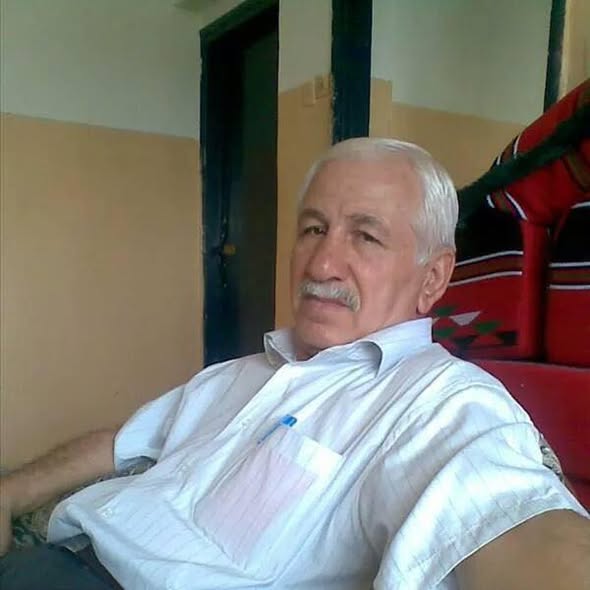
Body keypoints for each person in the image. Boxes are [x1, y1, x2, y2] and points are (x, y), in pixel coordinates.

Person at [1, 138, 588, 590]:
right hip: (50, 558)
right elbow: (122, 442)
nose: (322, 263)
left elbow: (519, 525)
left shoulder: (441, 402)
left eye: (365, 237)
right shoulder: (239, 372)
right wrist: (7, 493)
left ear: (432, 278)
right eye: (314, 228)